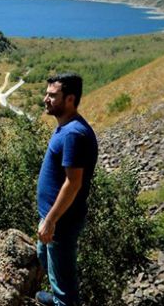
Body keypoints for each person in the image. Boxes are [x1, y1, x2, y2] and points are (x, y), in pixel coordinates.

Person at [34, 73, 98, 306]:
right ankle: (58, 298)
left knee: (64, 283)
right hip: (53, 218)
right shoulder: (65, 126)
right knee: (44, 255)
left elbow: (74, 183)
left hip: (61, 220)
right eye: (47, 94)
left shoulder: (73, 134)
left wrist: (51, 220)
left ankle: (63, 302)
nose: (46, 99)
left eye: (52, 95)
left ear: (70, 99)